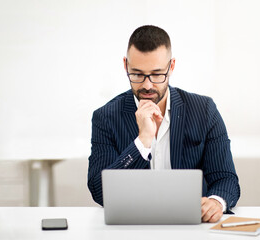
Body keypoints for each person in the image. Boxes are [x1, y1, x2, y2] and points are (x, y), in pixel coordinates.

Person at [88, 25, 240, 223]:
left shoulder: (204, 110)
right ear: (125, 66)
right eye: (137, 74)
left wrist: (216, 202)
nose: (147, 85)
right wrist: (142, 142)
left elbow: (226, 179)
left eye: (157, 74)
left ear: (172, 66)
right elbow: (100, 191)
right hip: (131, 227)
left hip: (192, 227)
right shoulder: (106, 117)